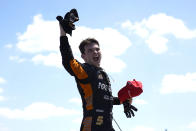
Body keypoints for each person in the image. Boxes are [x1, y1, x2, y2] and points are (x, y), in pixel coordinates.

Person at [57, 9, 137, 131]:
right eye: (90, 50)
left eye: (97, 49)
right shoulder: (84, 71)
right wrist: (63, 34)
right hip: (92, 126)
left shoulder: (103, 74)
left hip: (108, 126)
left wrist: (124, 101)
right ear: (83, 56)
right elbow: (68, 61)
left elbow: (106, 100)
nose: (95, 52)